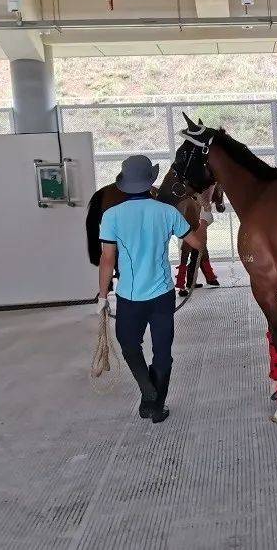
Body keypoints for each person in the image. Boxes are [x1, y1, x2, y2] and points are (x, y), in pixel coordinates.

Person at [97, 155, 212, 423]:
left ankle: (148, 392)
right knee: (163, 352)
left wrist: (103, 297)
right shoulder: (167, 212)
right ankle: (156, 403)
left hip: (129, 297)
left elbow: (107, 259)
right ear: (151, 182)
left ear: (124, 184)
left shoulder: (111, 216)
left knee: (128, 345)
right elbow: (197, 244)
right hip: (162, 295)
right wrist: (204, 219)